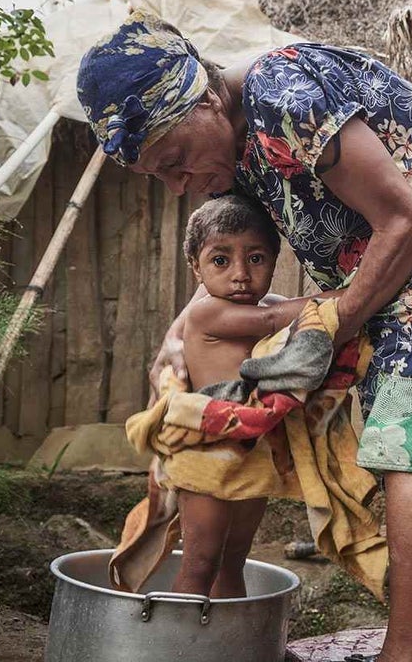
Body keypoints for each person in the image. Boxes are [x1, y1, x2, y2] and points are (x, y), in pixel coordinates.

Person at [77, 11, 412, 662]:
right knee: (406, 441)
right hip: (394, 260)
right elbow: (225, 264)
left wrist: (326, 330)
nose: (178, 184)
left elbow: (408, 221)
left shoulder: (282, 94)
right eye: (159, 176)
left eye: (175, 161)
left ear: (208, 98)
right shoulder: (230, 153)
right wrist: (180, 331)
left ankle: (408, 653)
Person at [168, 194, 282, 597]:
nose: (240, 275)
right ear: (195, 268)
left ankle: (230, 646)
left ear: (274, 260)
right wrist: (350, 298)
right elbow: (277, 318)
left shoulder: (269, 307)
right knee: (200, 562)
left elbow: (284, 311)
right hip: (208, 455)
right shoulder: (206, 313)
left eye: (256, 259)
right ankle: (180, 649)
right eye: (221, 260)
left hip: (252, 455)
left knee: (234, 561)